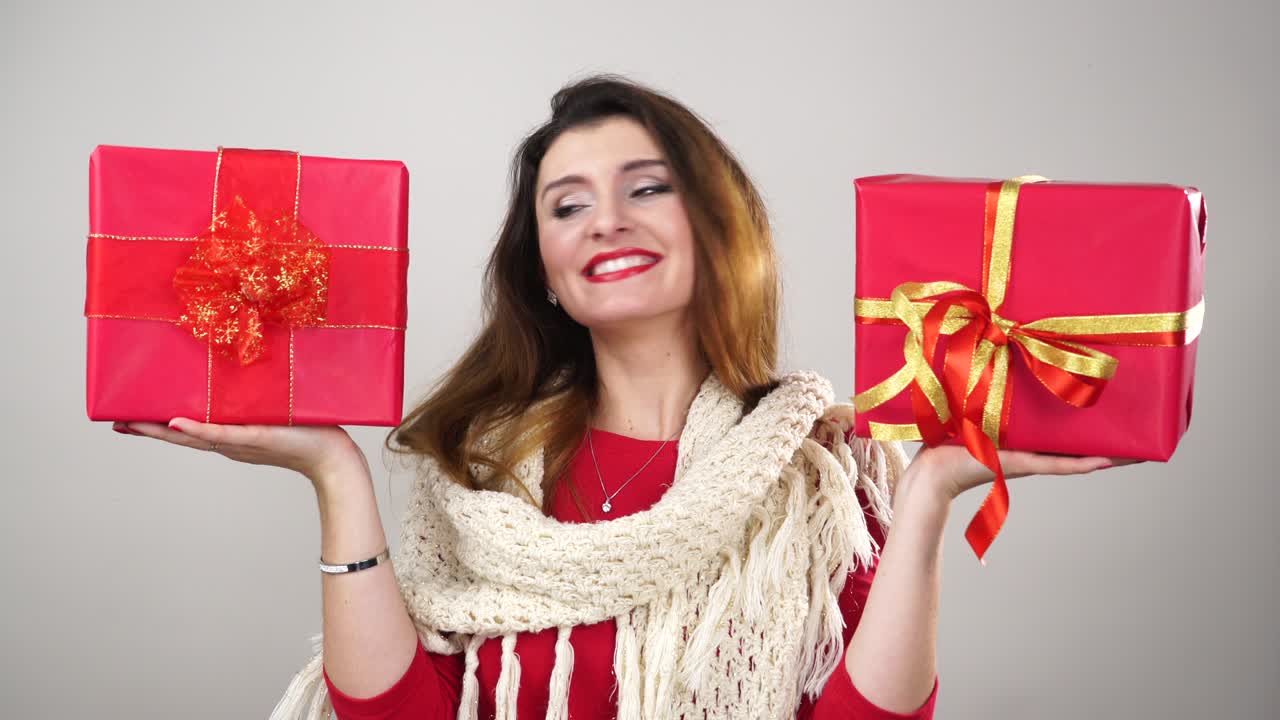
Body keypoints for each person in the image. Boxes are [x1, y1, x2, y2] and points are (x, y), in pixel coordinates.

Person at [115, 75, 1120, 720]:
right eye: (566, 205)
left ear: (714, 227)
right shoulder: (475, 471)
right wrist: (334, 471)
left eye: (644, 188)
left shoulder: (813, 472)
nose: (603, 221)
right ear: (546, 269)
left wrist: (934, 494)